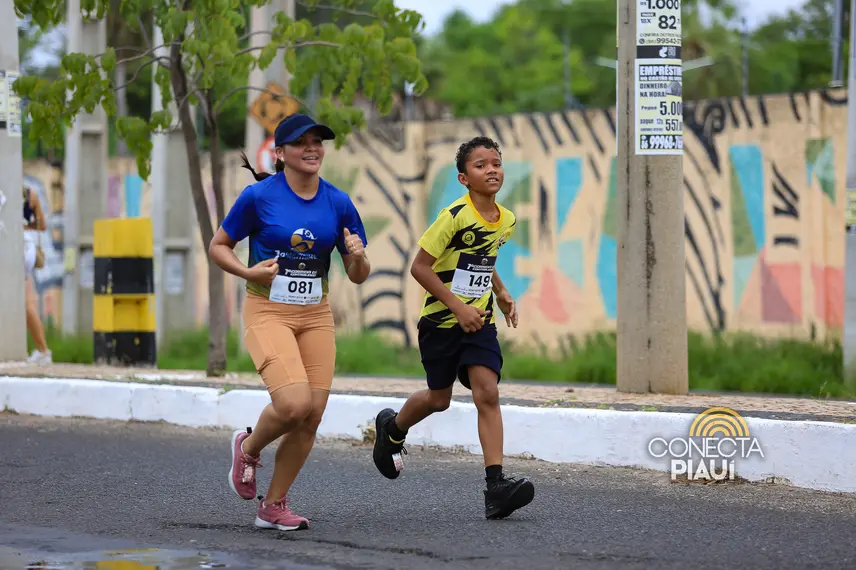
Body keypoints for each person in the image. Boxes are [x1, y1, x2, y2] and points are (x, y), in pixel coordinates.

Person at [209, 113, 371, 532]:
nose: (313, 149)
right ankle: (248, 446)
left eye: (318, 142)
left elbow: (357, 274)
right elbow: (219, 246)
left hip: (316, 313)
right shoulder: (259, 197)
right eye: (302, 143)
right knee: (294, 403)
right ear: (281, 153)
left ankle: (274, 505)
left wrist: (356, 254)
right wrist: (248, 273)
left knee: (312, 414)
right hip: (267, 309)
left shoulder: (338, 202)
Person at [371, 136, 535, 520]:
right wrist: (458, 307)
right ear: (463, 177)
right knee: (438, 399)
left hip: (479, 322)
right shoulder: (453, 216)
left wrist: (502, 291)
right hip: (442, 323)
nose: (491, 169)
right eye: (481, 165)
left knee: (487, 392)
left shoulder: (505, 219)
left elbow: (481, 257)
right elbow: (420, 267)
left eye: (496, 162)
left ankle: (496, 487)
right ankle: (392, 429)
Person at [22, 185, 52, 365]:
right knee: (26, 304)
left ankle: (43, 350)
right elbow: (42, 225)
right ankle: (42, 350)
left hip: (13, 247)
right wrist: (25, 225)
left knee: (25, 304)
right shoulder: (29, 193)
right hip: (26, 249)